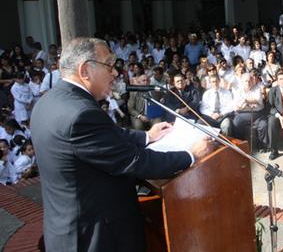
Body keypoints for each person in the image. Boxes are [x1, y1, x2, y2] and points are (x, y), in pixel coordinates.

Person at [31, 37, 211, 252]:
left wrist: (147, 137)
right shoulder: (81, 114)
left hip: (67, 227)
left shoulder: (50, 101)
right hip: (96, 236)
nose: (115, 73)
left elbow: (107, 136)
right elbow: (134, 162)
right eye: (109, 64)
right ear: (86, 70)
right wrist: (190, 155)